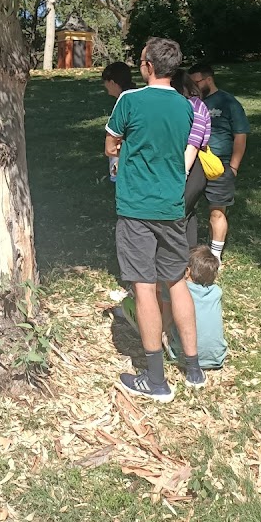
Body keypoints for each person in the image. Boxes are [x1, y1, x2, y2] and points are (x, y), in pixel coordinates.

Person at [106, 36, 205, 402]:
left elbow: (110, 142)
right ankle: (193, 368)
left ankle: (156, 379)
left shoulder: (129, 100)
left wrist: (120, 153)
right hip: (172, 207)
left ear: (147, 65)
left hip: (136, 209)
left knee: (144, 286)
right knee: (176, 281)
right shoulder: (185, 107)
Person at [188, 63, 250, 264]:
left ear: (208, 79)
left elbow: (240, 136)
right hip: (195, 163)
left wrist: (233, 166)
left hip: (221, 166)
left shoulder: (228, 102)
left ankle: (215, 258)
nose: (194, 87)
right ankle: (187, 251)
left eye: (196, 82)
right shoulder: (191, 103)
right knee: (186, 208)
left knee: (217, 211)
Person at [164, 245, 227, 370]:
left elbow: (165, 322)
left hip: (182, 357)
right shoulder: (216, 292)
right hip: (217, 358)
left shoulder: (179, 292)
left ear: (187, 271)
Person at [170, 69, 212, 249]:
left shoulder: (194, 106)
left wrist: (183, 172)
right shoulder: (193, 104)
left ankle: (177, 261)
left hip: (192, 166)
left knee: (178, 214)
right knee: (188, 214)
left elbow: (193, 143)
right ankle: (189, 260)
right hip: (183, 165)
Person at [102, 62, 136, 183]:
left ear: (111, 82)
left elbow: (114, 139)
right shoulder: (136, 96)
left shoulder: (125, 100)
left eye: (105, 82)